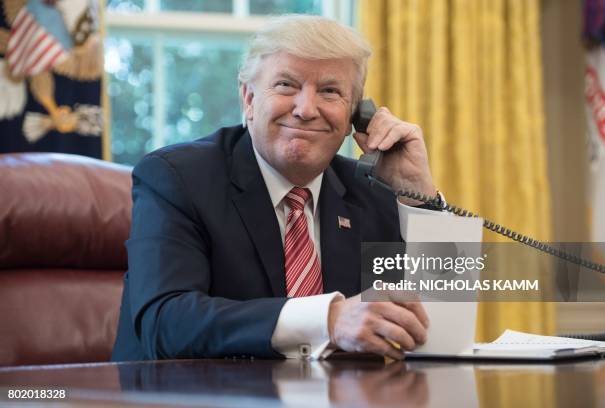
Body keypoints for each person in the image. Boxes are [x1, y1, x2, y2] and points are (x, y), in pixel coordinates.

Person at [112, 15, 444, 362]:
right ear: (249, 99)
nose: (305, 109)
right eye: (286, 85)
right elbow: (164, 323)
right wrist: (326, 319)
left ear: (354, 116)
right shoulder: (177, 178)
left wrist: (418, 198)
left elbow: (441, 328)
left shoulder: (372, 192)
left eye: (330, 91)